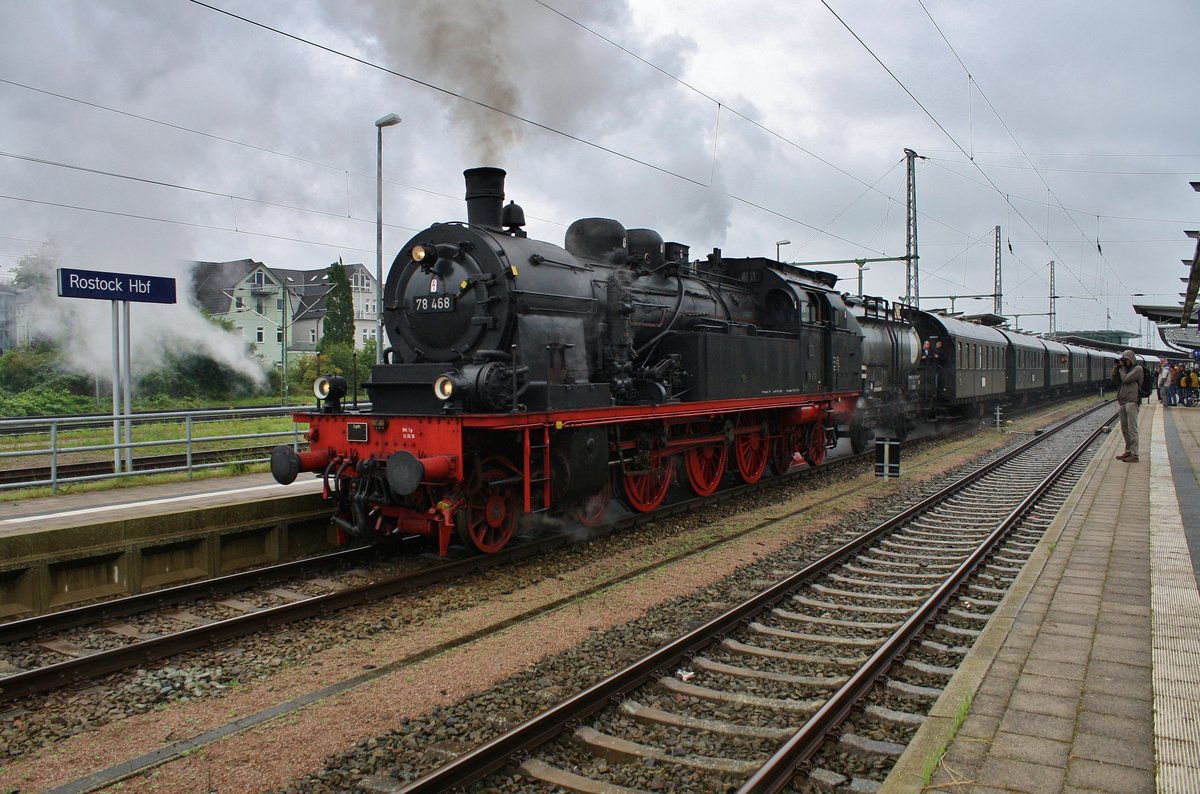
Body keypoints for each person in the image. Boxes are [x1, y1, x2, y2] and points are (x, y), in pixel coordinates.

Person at [1113, 350, 1143, 462]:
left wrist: (1121, 369)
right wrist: (1116, 368)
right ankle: (1128, 450)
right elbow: (1115, 379)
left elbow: (1126, 379)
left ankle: (1135, 454)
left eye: (1126, 360)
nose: (1125, 362)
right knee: (1125, 428)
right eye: (1123, 360)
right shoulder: (1125, 369)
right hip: (1123, 401)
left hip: (1132, 401)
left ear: (1131, 359)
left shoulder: (1137, 369)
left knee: (1132, 429)